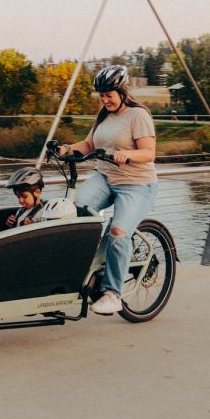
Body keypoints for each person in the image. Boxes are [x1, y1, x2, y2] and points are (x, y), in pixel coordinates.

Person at [57, 64, 157, 315]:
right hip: (105, 177)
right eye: (101, 95)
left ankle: (113, 293)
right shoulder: (104, 115)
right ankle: (87, 266)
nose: (105, 99)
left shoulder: (138, 116)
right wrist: (67, 149)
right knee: (76, 210)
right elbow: (90, 143)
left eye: (109, 94)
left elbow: (149, 153)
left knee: (118, 231)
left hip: (136, 184)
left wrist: (128, 154)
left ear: (122, 92)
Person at [4, 166, 76, 227]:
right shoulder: (21, 210)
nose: (20, 200)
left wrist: (33, 226)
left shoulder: (47, 211)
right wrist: (11, 223)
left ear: (37, 192)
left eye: (24, 196)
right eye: (18, 197)